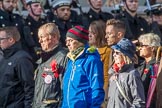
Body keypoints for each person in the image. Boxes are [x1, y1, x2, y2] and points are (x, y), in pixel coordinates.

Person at [62, 25, 105, 108]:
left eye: (70, 40)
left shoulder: (91, 60)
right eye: (66, 41)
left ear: (80, 41)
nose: (67, 44)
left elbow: (97, 88)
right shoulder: (71, 59)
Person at [32, 23, 68, 108]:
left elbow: (65, 90)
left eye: (42, 37)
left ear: (54, 37)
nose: (39, 41)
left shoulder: (63, 58)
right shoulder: (42, 60)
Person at [0, 27, 34, 108]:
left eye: (1, 39)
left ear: (11, 40)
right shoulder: (3, 57)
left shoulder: (22, 58)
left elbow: (29, 87)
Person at [107, 38, 145, 108]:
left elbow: (139, 102)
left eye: (117, 53)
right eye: (114, 52)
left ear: (125, 55)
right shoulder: (113, 73)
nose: (114, 55)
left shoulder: (132, 75)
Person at [88, 20, 110, 108]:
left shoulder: (107, 51)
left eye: (93, 33)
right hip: (88, 92)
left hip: (99, 93)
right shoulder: (88, 50)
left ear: (100, 34)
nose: (89, 35)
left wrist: (103, 99)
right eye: (89, 32)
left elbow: (106, 76)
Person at [137, 33, 161, 108]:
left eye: (142, 45)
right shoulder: (140, 65)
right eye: (139, 45)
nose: (139, 48)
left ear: (152, 48)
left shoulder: (158, 66)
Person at [24, 0, 47, 65]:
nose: (40, 7)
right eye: (36, 6)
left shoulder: (45, 22)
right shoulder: (24, 23)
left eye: (40, 5)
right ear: (28, 7)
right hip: (31, 57)